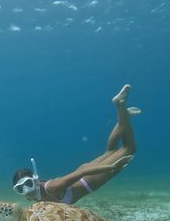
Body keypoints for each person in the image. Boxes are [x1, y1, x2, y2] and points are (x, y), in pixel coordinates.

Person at [12, 84, 141, 204]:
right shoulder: (32, 197)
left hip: (90, 178)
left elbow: (82, 172)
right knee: (110, 151)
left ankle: (120, 106)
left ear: (35, 180)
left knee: (129, 148)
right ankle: (124, 116)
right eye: (20, 188)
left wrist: (111, 167)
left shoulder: (52, 188)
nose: (27, 190)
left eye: (28, 184)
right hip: (86, 175)